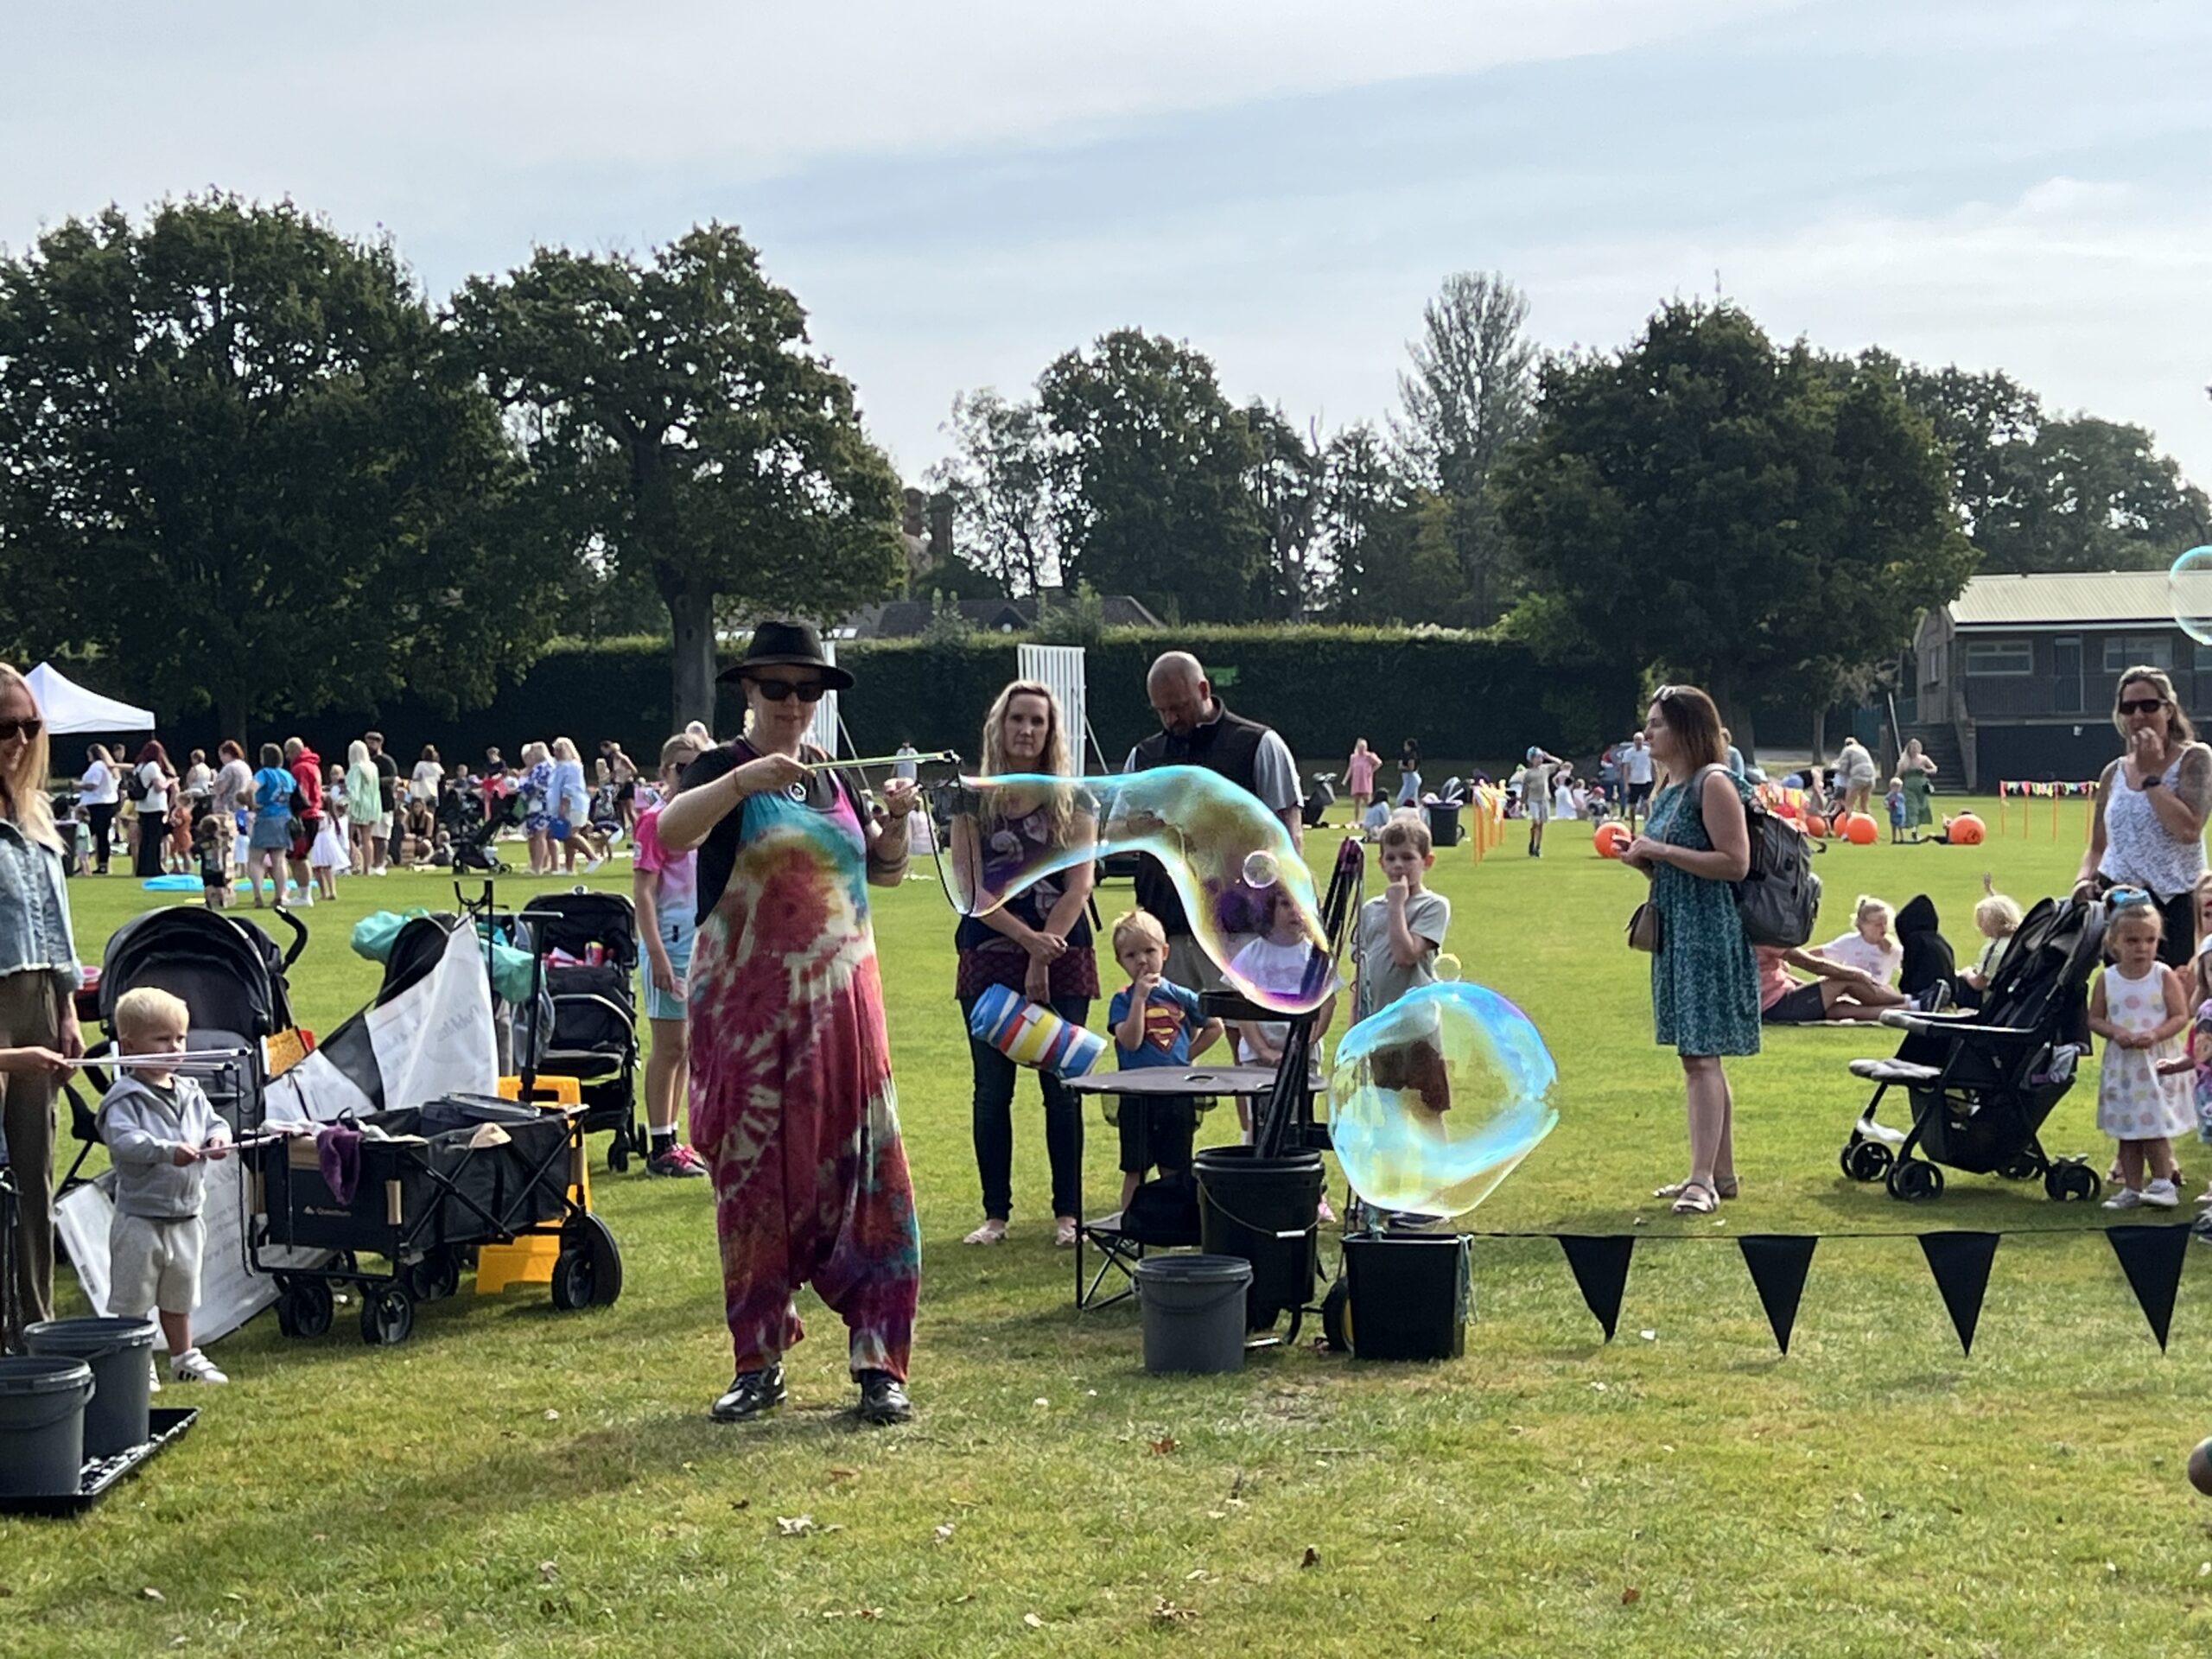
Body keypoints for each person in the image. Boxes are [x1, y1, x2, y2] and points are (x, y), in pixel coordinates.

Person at [653, 620, 921, 1427]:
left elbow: (883, 873)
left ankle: (881, 1363)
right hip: (749, 1022)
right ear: (747, 692)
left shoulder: (833, 779)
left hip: (846, 1018)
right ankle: (759, 1360)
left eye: (807, 690)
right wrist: (742, 783)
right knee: (751, 1185)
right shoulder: (722, 768)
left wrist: (899, 823)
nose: (793, 704)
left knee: (871, 1183)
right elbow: (670, 832)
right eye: (777, 688)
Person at [950, 681, 1097, 1249]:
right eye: (1017, 719)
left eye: (1037, 720)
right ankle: (996, 1215)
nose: (1027, 730)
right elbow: (969, 885)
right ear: (1000, 725)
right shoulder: (970, 798)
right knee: (992, 1089)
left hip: (1065, 951)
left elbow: (1079, 882)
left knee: (1062, 1087)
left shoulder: (1076, 798)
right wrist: (1024, 941)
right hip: (989, 953)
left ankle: (1069, 1214)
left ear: (1050, 730)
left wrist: (1045, 946)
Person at [1621, 686, 1759, 1216]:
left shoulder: (1714, 783)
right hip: (1676, 930)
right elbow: (1677, 864)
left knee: (1701, 1056)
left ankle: (1701, 1181)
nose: (1647, 732)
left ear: (1685, 729)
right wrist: (1643, 860)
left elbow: (1734, 862)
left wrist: (1661, 849)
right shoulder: (1668, 787)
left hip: (1708, 932)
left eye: (1656, 723)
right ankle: (1718, 1173)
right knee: (1696, 1056)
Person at [1122, 652, 1302, 992]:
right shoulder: (1143, 757)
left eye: (1178, 706)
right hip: (1166, 930)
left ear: (1203, 689)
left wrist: (1290, 911)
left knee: (1252, 1040)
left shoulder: (1258, 744)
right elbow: (1122, 829)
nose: (1171, 718)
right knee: (1167, 1040)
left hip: (1241, 930)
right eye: (1161, 710)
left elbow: (1289, 834)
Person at [0, 664, 86, 1340]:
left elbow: (56, 924)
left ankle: (36, 1327)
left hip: (39, 998)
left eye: (31, 726)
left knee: (35, 1177)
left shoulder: (35, 814)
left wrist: (65, 1010)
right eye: (6, 727)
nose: (21, 740)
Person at [97, 988, 232, 1384]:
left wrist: (217, 1140)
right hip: (141, 1218)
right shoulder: (124, 1098)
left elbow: (215, 1122)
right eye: (162, 1039)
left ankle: (183, 1357)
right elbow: (124, 1142)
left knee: (180, 1295)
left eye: (180, 1038)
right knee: (134, 1298)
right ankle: (136, 1366)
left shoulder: (190, 1091)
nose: (175, 1047)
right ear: (129, 1045)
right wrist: (167, 1150)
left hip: (186, 1214)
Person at [2074, 666, 2212, 969]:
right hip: (2121, 904)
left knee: (2174, 997)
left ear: (2169, 710)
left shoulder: (2195, 758)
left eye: (2149, 706)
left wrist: (2151, 777)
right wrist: (2084, 879)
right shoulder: (2114, 772)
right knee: (2123, 993)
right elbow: (2098, 845)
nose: (2138, 715)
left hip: (2175, 901)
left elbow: (2188, 829)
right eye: (2128, 707)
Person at [628, 732, 713, 1179]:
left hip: (697, 942)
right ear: (664, 772)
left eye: (697, 767)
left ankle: (673, 1136)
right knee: (669, 1045)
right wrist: (657, 953)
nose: (689, 776)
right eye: (682, 767)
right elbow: (643, 893)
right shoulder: (655, 821)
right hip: (669, 941)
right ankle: (660, 1142)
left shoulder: (701, 819)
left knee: (686, 1046)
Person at [1107, 908, 1224, 1210]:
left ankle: (1174, 1223)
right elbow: (1131, 1041)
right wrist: (1139, 1000)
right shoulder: (1122, 1000)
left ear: (1165, 952)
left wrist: (1187, 1055)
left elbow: (1215, 1027)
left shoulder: (1181, 996)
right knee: (1135, 1167)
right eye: (1132, 955)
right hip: (1137, 1094)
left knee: (1175, 1165)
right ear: (1120, 962)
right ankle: (1130, 1223)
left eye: (1150, 951)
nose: (1142, 960)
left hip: (1176, 1093)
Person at [2089, 893, 2191, 1209]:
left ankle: (2163, 1183)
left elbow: (2180, 1015)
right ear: (2115, 942)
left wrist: (2155, 1033)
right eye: (2133, 941)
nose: (2142, 948)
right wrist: (2116, 1032)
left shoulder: (2162, 975)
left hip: (2154, 1064)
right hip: (2123, 1066)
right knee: (2128, 1129)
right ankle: (2131, 1188)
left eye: (2149, 940)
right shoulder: (2108, 979)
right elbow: (2094, 1018)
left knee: (2153, 1126)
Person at [1351, 812, 1450, 1025]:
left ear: (1427, 861)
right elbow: (1361, 972)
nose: (1398, 865)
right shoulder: (1371, 909)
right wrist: (1355, 1023)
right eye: (1391, 857)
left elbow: (1405, 956)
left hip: (1416, 1023)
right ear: (1381, 862)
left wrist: (1396, 905)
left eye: (1407, 857)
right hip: (1378, 1021)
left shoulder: (1433, 906)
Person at [1756, 945, 1914, 1025]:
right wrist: (1856, 974)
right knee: (1845, 980)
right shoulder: (1765, 940)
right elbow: (1815, 965)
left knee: (1844, 1009)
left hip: (1772, 1005)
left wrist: (1808, 989)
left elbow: (1776, 978)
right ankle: (1908, 1000)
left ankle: (1912, 1009)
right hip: (1777, 1006)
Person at [1812, 896, 1901, 986]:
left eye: (1885, 923)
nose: (1883, 928)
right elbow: (1822, 952)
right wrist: (1800, 959)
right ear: (1863, 925)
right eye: (1878, 925)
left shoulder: (1891, 948)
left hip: (1876, 994)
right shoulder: (1850, 942)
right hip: (1850, 991)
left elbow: (1908, 963)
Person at [246, 744, 295, 908]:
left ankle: (258, 896)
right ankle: (280, 896)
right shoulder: (287, 776)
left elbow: (250, 789)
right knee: (279, 860)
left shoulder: (264, 773)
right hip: (283, 818)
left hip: (266, 816)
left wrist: (253, 804)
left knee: (255, 859)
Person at [550, 736, 604, 874]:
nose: (555, 753)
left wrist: (564, 804)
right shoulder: (560, 767)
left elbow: (570, 788)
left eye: (558, 750)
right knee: (568, 838)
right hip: (565, 804)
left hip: (573, 804)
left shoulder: (573, 767)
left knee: (570, 834)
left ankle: (593, 857)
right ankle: (569, 868)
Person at [282, 737, 325, 907]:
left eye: (288, 752)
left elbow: (302, 794)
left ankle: (305, 895)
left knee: (298, 856)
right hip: (312, 815)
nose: (286, 757)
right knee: (297, 856)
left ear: (294, 751)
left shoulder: (300, 768)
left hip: (305, 816)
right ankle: (303, 894)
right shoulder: (312, 766)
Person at [1962, 890, 2024, 996]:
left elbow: (1979, 983)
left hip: (1991, 1000)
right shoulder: (2020, 941)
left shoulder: (1995, 949)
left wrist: (1966, 973)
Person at [131, 741, 178, 878]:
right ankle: (154, 867)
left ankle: (143, 868)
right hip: (155, 806)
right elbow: (159, 787)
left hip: (142, 806)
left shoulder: (139, 767)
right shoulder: (153, 766)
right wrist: (171, 781)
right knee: (155, 839)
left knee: (145, 839)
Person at [209, 741, 251, 880]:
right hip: (242, 807)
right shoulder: (245, 767)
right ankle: (243, 868)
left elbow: (220, 788)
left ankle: (226, 868)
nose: (221, 759)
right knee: (242, 839)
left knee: (226, 841)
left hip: (226, 809)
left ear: (227, 754)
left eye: (221, 755)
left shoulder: (229, 768)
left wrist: (214, 782)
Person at [77, 744, 119, 874]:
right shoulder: (108, 767)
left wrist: (77, 785)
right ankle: (101, 863)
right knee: (101, 836)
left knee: (90, 834)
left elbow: (93, 785)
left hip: (98, 804)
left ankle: (89, 863)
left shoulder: (97, 766)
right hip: (108, 803)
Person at [310, 764, 349, 901]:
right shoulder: (327, 806)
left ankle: (325, 892)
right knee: (325, 867)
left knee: (319, 867)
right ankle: (330, 891)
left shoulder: (319, 806)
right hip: (325, 837)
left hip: (319, 838)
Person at [364, 730, 399, 875]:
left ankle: (380, 864)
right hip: (370, 803)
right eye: (368, 743)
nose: (369, 746)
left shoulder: (386, 761)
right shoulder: (366, 761)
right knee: (371, 835)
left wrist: (375, 782)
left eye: (372, 743)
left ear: (379, 743)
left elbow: (393, 778)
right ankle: (372, 863)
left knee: (383, 836)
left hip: (385, 802)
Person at [518, 741, 556, 874]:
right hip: (541, 805)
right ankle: (537, 865)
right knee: (536, 836)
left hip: (540, 806)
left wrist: (521, 787)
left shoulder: (542, 767)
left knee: (540, 836)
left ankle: (537, 867)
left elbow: (534, 785)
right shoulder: (548, 765)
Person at [345, 741, 381, 876]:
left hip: (357, 806)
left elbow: (353, 790)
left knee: (347, 837)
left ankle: (351, 864)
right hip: (372, 805)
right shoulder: (373, 767)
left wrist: (343, 802)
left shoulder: (356, 768)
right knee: (367, 838)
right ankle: (367, 868)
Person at [1522, 746, 1560, 857]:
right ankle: (1532, 840)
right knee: (1536, 822)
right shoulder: (1529, 773)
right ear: (1531, 759)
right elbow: (1525, 788)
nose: (1540, 760)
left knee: (1541, 824)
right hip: (1533, 799)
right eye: (1537, 757)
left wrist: (1549, 756)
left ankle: (1537, 847)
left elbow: (1559, 763)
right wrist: (1523, 802)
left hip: (1544, 799)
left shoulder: (1545, 769)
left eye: (1541, 757)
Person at [1897, 739, 1937, 840]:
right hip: (1908, 788)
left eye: (1916, 748)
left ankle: (1916, 830)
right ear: (1909, 749)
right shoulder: (1903, 761)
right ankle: (1911, 829)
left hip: (1922, 786)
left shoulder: (1924, 759)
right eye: (1912, 748)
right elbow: (1898, 775)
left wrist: (1926, 770)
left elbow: (1934, 769)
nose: (1914, 750)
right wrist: (1895, 787)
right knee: (1911, 808)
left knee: (1922, 807)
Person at [1620, 732, 1656, 832]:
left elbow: (1653, 765)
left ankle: (1648, 825)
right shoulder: (1629, 753)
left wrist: (1655, 778)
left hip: (1646, 780)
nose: (1638, 742)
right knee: (1632, 806)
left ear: (1643, 741)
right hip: (1634, 781)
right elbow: (1626, 769)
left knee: (1646, 803)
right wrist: (1626, 784)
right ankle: (1633, 825)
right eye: (1636, 740)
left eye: (1640, 740)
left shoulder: (1648, 751)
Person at [1835, 736, 1877, 818]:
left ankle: (1849, 827)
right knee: (1864, 805)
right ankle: (1870, 826)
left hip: (1858, 777)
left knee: (1849, 804)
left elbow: (1843, 769)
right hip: (1871, 777)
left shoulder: (1847, 750)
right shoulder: (1862, 749)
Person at [1345, 739, 1378, 815]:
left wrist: (1371, 771)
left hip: (1365, 781)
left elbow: (1379, 763)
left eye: (1363, 747)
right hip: (1356, 782)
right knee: (1357, 803)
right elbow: (1351, 768)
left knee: (1368, 802)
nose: (1361, 749)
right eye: (1360, 747)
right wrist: (1346, 779)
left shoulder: (1369, 756)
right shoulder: (1353, 757)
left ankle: (1370, 818)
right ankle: (1356, 820)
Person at [410, 745, 444, 809]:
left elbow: (415, 778)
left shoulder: (420, 765)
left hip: (421, 795)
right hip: (433, 794)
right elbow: (440, 778)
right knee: (431, 817)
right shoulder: (437, 766)